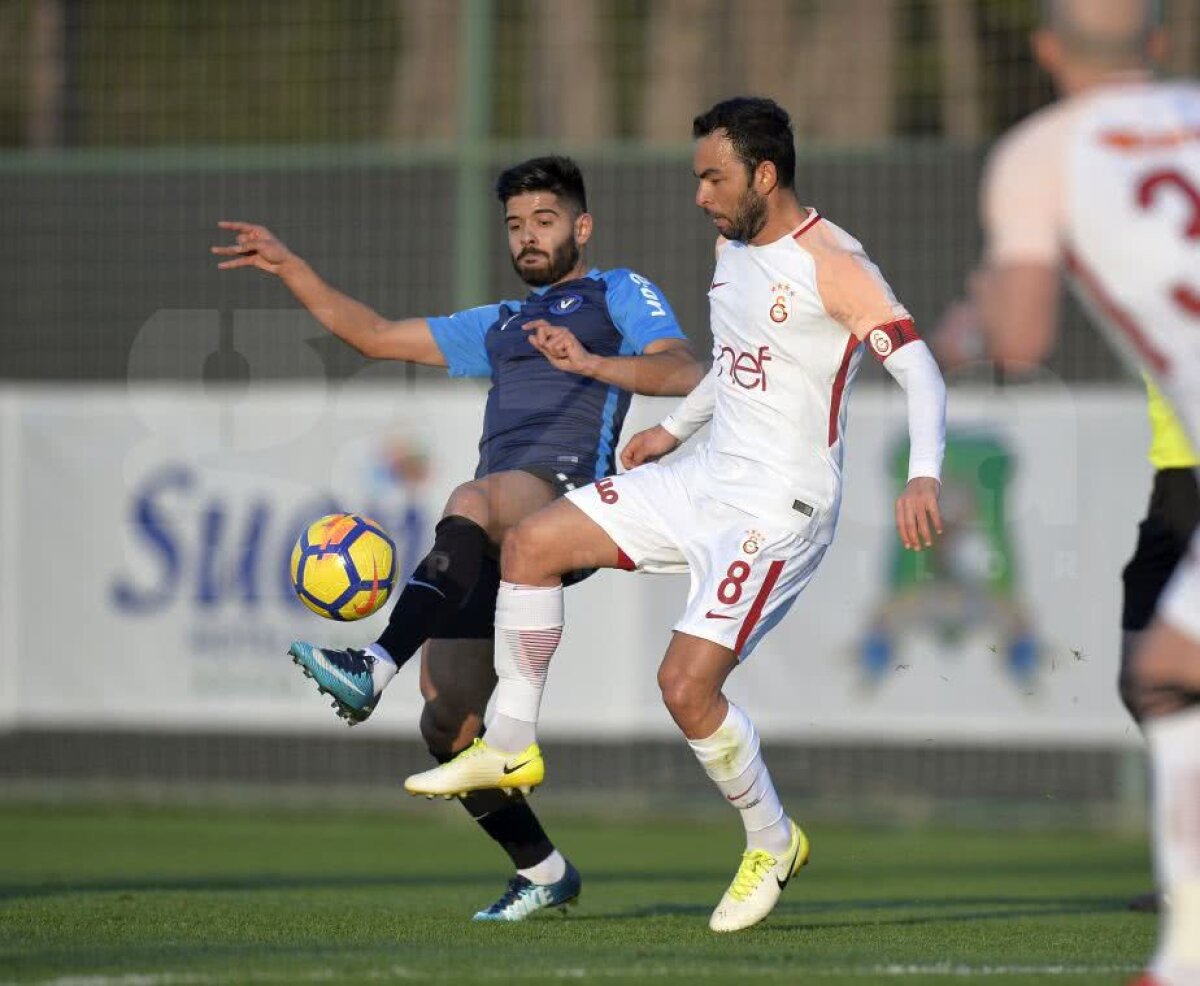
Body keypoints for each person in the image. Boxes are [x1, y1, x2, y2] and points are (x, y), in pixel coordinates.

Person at [404, 97, 947, 932]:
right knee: (534, 543)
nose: (700, 194)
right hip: (703, 476)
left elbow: (921, 372)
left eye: (713, 177)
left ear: (765, 175)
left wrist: (922, 476)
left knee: (685, 689)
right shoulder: (731, 247)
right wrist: (671, 429)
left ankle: (772, 839)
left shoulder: (834, 263)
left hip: (779, 507)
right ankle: (509, 741)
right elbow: (732, 369)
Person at [211, 156, 702, 921]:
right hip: (497, 525)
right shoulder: (500, 324)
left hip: (565, 496)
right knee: (446, 721)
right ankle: (543, 869)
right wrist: (292, 270)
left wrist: (593, 361)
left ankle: (371, 665)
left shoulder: (616, 293)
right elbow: (372, 336)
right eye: (514, 225)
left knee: (469, 495)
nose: (528, 237)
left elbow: (682, 369)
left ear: (582, 226)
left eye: (544, 221)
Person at [970, 2, 1200, 981]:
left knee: (1167, 669)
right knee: (1169, 666)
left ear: (1047, 51)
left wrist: (979, 308)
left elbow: (1021, 342)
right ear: (1157, 43)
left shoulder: (1041, 154)